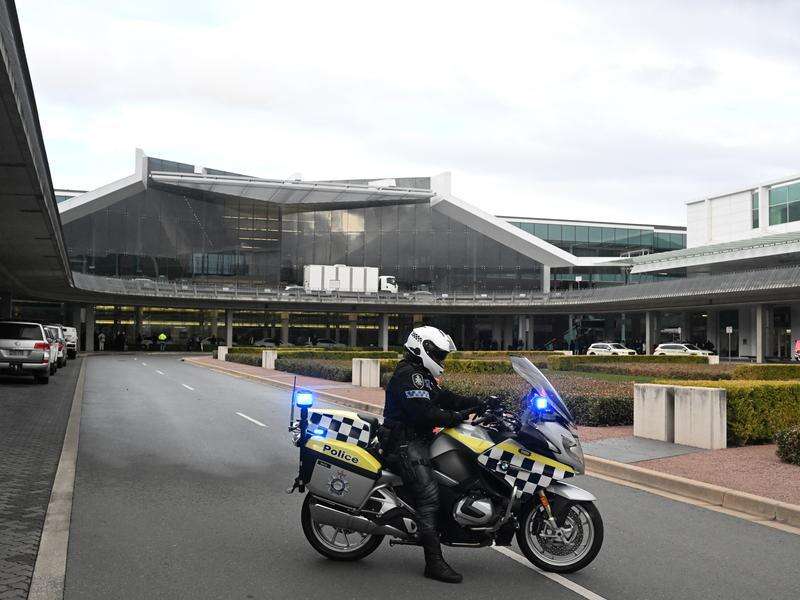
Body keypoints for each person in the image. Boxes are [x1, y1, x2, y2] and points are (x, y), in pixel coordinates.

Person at [383, 326, 481, 584]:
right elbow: (423, 413)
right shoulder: (408, 375)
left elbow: (444, 397)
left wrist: (477, 401)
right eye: (437, 354)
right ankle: (433, 563)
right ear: (421, 349)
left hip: (420, 438)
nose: (441, 359)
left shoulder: (421, 375)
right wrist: (455, 417)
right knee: (428, 496)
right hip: (404, 442)